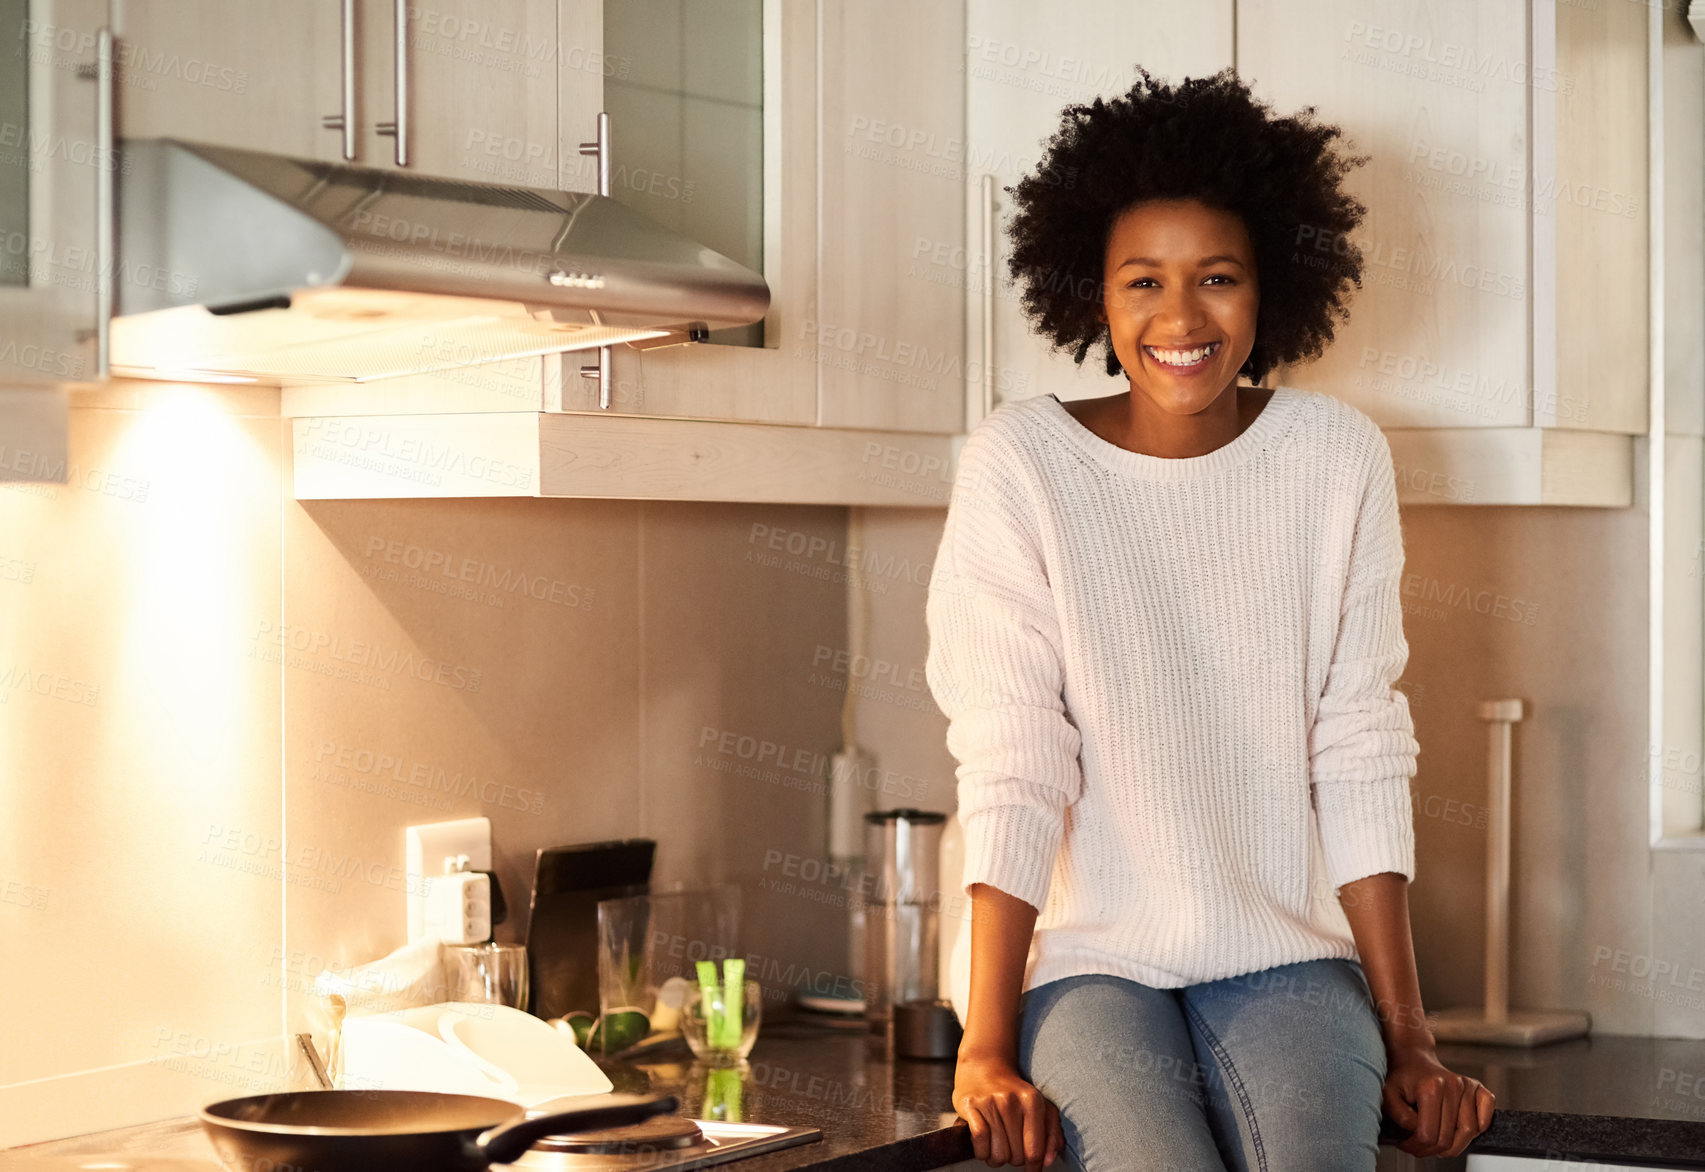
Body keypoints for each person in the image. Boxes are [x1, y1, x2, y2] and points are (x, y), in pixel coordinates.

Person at [924, 69, 1496, 1171]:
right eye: (1142, 279)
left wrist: (1411, 1036)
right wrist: (984, 1043)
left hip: (1285, 953)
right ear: (1092, 295)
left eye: (1217, 278)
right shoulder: (1020, 463)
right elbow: (1014, 760)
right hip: (1084, 959)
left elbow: (1359, 741)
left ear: (1269, 287)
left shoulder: (1335, 459)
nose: (1180, 318)